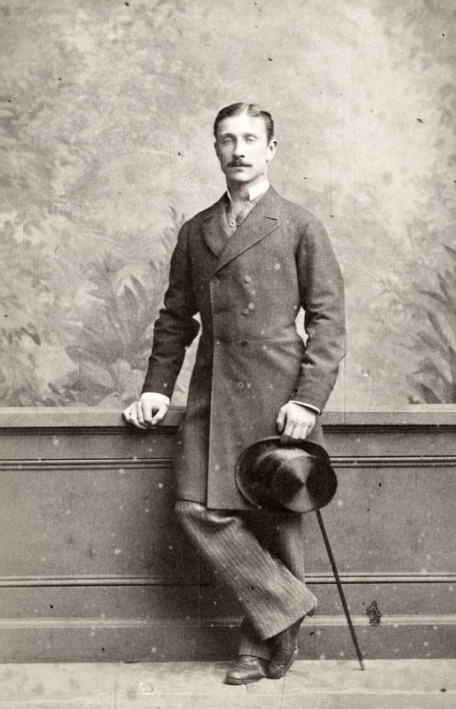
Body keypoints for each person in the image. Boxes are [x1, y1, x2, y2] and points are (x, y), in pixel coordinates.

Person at [123, 102, 345, 684]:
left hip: (279, 392)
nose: (239, 150)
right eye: (227, 139)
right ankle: (287, 607)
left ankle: (259, 642)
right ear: (216, 149)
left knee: (278, 516)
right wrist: (156, 389)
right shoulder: (196, 231)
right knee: (196, 507)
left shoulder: (299, 224)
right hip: (214, 389)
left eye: (250, 139)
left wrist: (308, 399)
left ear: (271, 149)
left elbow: (328, 322)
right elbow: (176, 318)